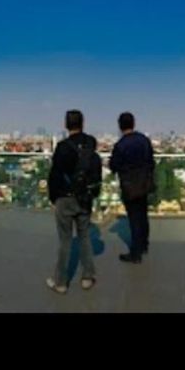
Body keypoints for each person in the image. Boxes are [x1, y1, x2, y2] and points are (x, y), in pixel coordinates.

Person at [45, 110, 102, 294]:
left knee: (65, 241)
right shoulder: (90, 145)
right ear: (82, 123)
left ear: (66, 125)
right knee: (84, 236)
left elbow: (54, 175)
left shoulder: (62, 147)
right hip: (85, 198)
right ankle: (87, 277)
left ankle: (61, 283)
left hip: (65, 198)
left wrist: (53, 198)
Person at [109, 112, 155, 263]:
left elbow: (113, 166)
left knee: (134, 218)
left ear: (120, 126)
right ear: (133, 123)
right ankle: (144, 245)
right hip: (144, 183)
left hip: (129, 186)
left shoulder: (120, 145)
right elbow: (151, 162)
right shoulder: (144, 140)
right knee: (143, 215)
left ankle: (136, 253)